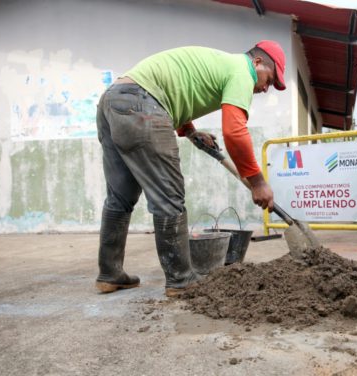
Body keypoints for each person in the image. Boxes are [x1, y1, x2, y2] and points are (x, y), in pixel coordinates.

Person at [94, 41, 286, 297]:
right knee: (169, 196)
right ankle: (181, 279)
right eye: (269, 80)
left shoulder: (219, 64)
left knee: (120, 196)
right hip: (141, 103)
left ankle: (109, 274)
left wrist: (191, 131)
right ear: (257, 63)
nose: (265, 88)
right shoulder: (241, 70)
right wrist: (258, 182)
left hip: (113, 100)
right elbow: (234, 132)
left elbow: (175, 91)